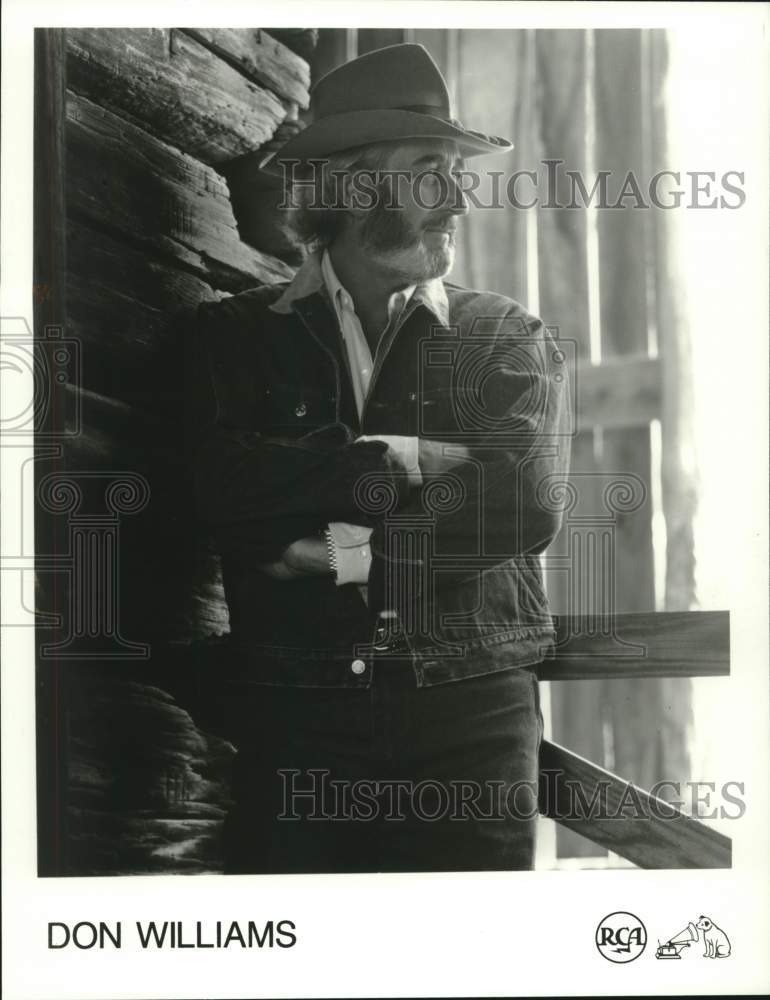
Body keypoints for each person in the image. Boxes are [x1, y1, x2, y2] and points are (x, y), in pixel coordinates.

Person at [185, 43, 571, 873]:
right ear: (352, 188)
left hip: (469, 715)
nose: (459, 199)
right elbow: (214, 489)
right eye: (433, 170)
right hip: (292, 718)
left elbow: (521, 503)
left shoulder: (506, 337)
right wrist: (384, 459)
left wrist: (340, 551)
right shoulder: (232, 341)